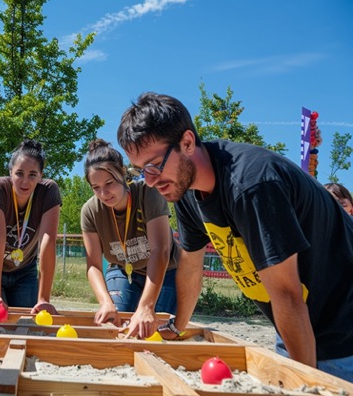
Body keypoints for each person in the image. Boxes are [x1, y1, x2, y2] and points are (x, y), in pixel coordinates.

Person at [117, 91, 353, 381]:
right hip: (294, 323)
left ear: (187, 142)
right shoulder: (186, 192)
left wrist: (305, 384)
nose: (150, 182)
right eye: (141, 171)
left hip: (343, 328)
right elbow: (191, 267)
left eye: (154, 166)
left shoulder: (251, 185)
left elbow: (288, 295)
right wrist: (178, 326)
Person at [81, 139, 179, 339]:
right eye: (96, 187)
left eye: (109, 183)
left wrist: (146, 306)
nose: (103, 193)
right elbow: (93, 265)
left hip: (166, 270)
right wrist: (105, 302)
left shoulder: (148, 193)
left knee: (154, 334)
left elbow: (160, 250)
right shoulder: (90, 211)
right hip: (122, 269)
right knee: (115, 326)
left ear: (123, 173)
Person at [0, 140, 62, 315]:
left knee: (28, 322)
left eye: (32, 175)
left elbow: (48, 242)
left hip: (24, 271)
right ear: (10, 172)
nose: (25, 182)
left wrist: (43, 299)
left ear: (41, 175)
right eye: (19, 173)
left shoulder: (49, 191)